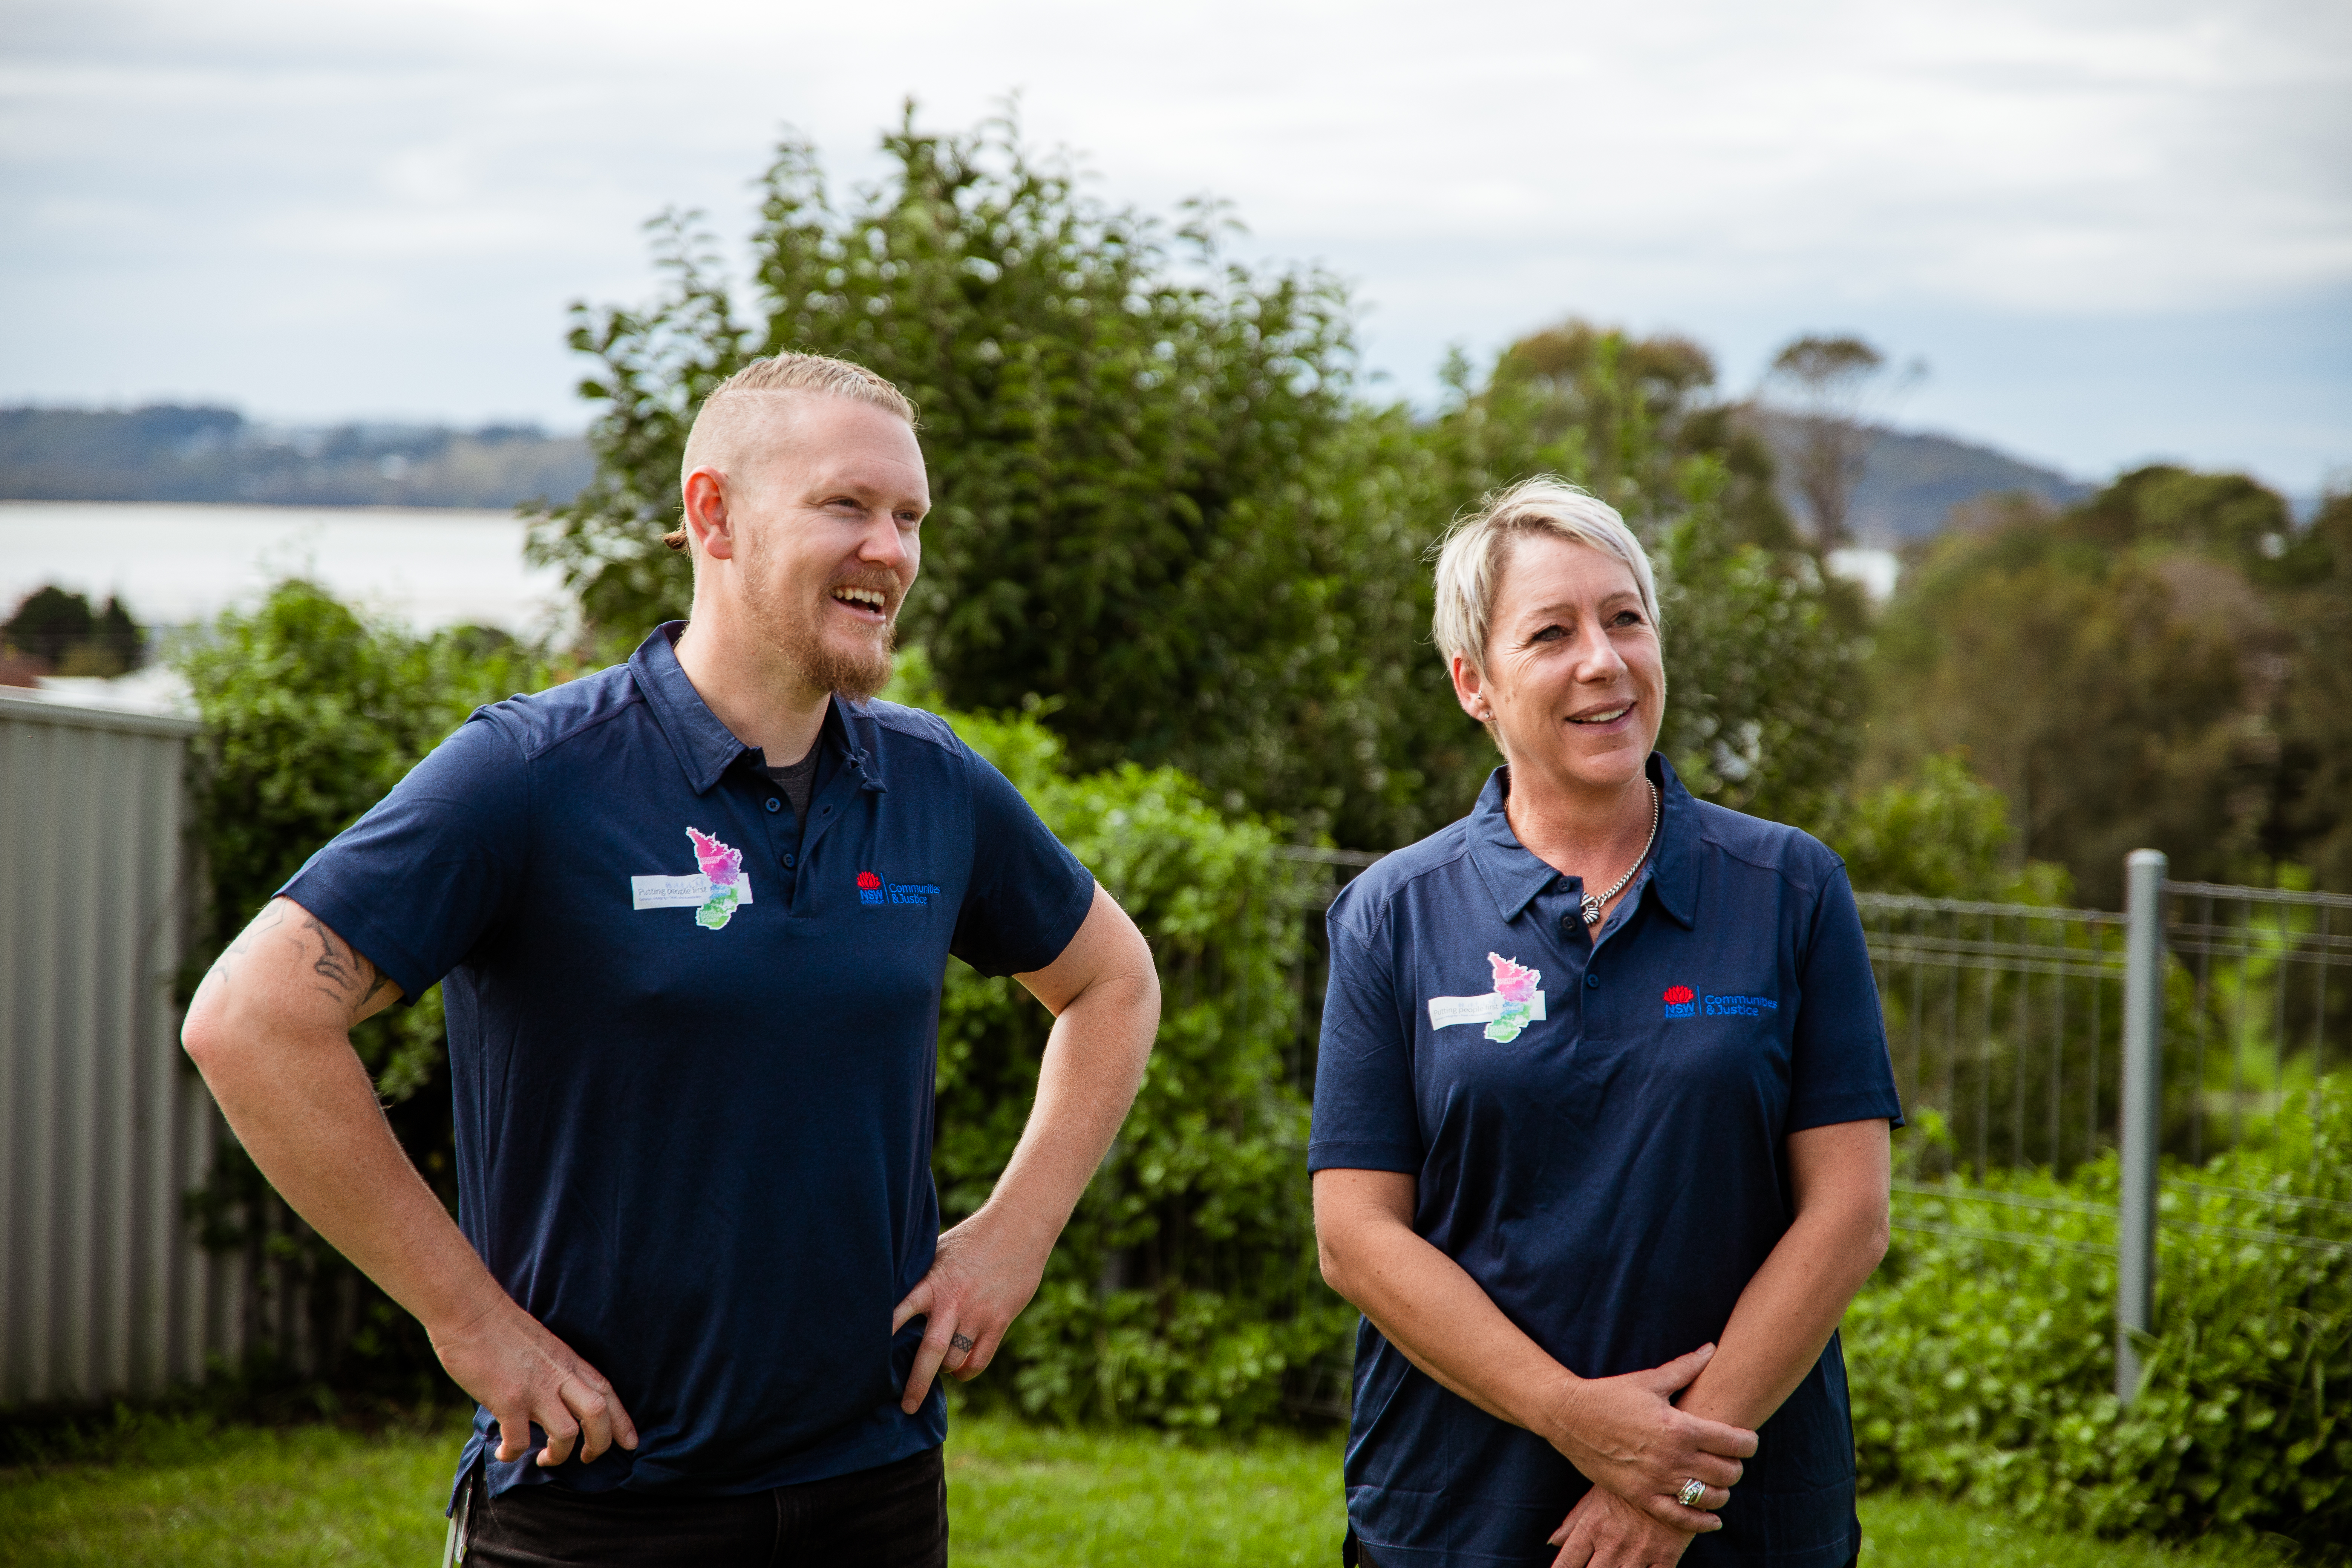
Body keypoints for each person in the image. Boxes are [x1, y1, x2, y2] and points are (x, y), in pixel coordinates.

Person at [180, 352, 1161, 1568]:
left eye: (909, 518)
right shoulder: (534, 775)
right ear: (714, 515)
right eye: (846, 506)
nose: (892, 551)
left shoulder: (933, 784)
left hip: (879, 1487)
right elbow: (253, 1018)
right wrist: (470, 1325)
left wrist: (1018, 1232)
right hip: (596, 1500)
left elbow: (1113, 982)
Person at [1308, 476, 1900, 1568]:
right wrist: (1573, 1415)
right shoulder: (1392, 913)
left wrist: (1668, 1476)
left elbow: (1849, 1215)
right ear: (1473, 684)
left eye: (1627, 618)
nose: (1603, 660)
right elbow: (1356, 1236)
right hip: (1459, 1510)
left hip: (1738, 1512)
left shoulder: (1789, 888)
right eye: (1552, 632)